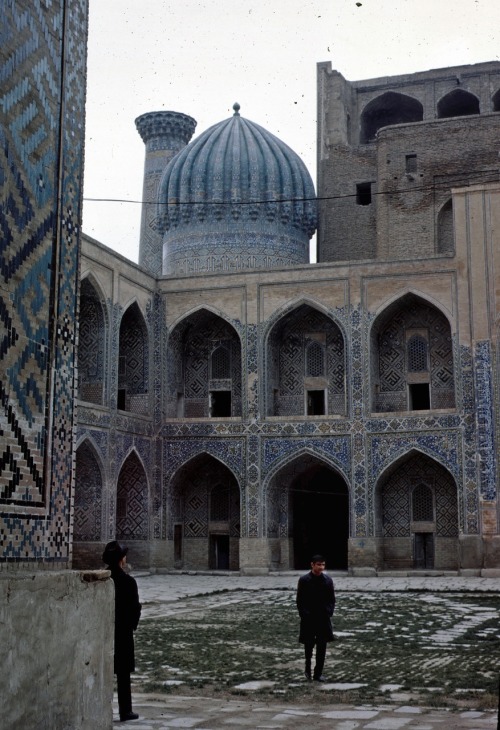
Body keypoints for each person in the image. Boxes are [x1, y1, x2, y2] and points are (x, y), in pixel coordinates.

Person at [102, 541, 142, 722]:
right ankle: (125, 711)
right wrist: (131, 625)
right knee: (123, 674)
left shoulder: (102, 581)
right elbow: (134, 609)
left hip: (103, 633)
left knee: (102, 671)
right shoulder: (128, 582)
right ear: (120, 560)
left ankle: (100, 710)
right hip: (123, 633)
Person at [296, 554, 335, 682]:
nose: (321, 567)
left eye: (323, 565)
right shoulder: (304, 580)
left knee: (322, 647)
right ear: (312, 565)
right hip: (309, 618)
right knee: (308, 645)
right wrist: (304, 614)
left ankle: (318, 673)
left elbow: (331, 599)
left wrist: (329, 612)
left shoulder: (328, 580)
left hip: (323, 618)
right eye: (319, 565)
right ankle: (308, 669)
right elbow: (300, 600)